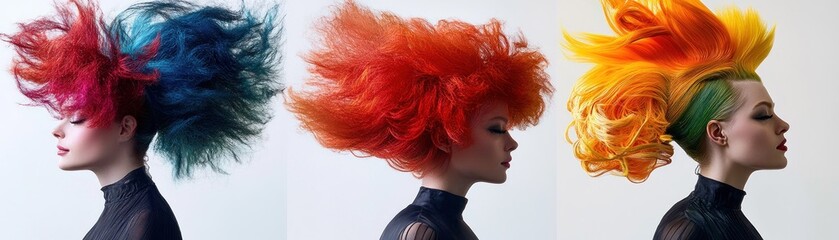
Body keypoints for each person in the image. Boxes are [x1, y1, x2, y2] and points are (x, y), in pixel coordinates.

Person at [3, 0, 282, 239]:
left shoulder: (144, 220)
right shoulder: (122, 217)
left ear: (125, 128)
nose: (57, 130)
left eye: (76, 118)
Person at [286, 1, 552, 239]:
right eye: (497, 129)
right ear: (444, 136)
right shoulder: (423, 231)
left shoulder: (435, 226)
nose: (512, 143)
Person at [564, 0, 788, 239]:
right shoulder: (689, 228)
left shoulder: (721, 220)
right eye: (763, 115)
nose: (783, 125)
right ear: (717, 133)